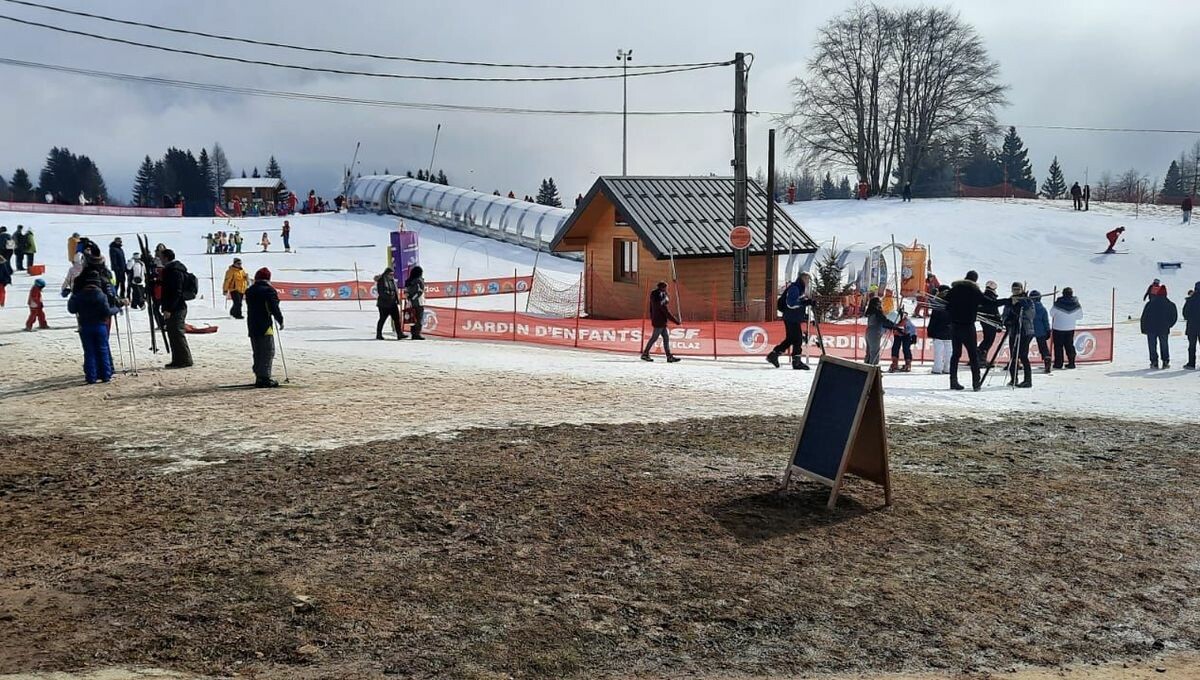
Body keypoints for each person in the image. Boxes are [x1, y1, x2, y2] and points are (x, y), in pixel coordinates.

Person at [944, 270, 994, 391]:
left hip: (955, 326)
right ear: (975, 280)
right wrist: (1007, 301)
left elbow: (946, 303)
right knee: (973, 355)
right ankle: (976, 383)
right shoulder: (974, 290)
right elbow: (988, 302)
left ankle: (953, 381)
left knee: (956, 354)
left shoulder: (955, 289)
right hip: (968, 327)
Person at [67, 278, 124, 384]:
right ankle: (106, 375)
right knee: (103, 350)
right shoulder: (101, 295)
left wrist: (73, 296)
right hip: (100, 325)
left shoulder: (79, 295)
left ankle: (91, 377)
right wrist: (117, 309)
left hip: (85, 326)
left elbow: (72, 309)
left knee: (89, 352)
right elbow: (107, 312)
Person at [245, 267, 284, 388]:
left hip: (252, 324)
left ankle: (259, 375)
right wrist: (280, 320)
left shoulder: (250, 290)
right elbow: (274, 307)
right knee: (267, 351)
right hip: (265, 324)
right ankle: (264, 378)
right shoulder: (269, 290)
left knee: (257, 351)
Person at [767, 272, 813, 370]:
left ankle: (774, 355)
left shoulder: (800, 288)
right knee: (798, 339)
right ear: (803, 278)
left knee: (791, 339)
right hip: (791, 318)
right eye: (807, 279)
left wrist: (805, 308)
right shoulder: (795, 288)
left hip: (793, 317)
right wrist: (805, 303)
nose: (808, 282)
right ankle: (796, 362)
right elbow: (791, 304)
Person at [159, 248, 193, 368]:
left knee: (177, 333)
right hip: (174, 306)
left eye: (161, 257)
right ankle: (177, 359)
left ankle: (185, 360)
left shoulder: (174, 271)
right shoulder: (171, 270)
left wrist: (169, 309)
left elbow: (176, 292)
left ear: (166, 258)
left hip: (177, 307)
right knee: (173, 333)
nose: (160, 259)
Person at [1000, 282, 1035, 387]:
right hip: (1013, 331)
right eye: (1014, 289)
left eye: (1018, 289)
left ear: (1021, 289)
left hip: (1025, 331)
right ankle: (1013, 379)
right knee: (1013, 356)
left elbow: (1031, 315)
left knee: (1023, 355)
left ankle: (1028, 380)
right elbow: (1005, 314)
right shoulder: (1010, 300)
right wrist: (1006, 321)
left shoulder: (1028, 300)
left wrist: (1022, 304)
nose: (1016, 291)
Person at [641, 281, 681, 362]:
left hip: (661, 321)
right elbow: (665, 311)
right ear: (662, 288)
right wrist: (676, 321)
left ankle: (669, 356)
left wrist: (665, 298)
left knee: (666, 338)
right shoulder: (658, 297)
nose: (666, 289)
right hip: (659, 322)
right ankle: (645, 354)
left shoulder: (659, 295)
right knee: (654, 338)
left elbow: (659, 307)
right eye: (665, 288)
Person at [1141, 287, 1178, 369]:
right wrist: (1169, 325)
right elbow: (1174, 317)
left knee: (1152, 346)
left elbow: (1144, 317)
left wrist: (1143, 328)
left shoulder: (1150, 304)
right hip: (1164, 329)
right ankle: (1165, 361)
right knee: (1164, 345)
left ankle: (1154, 362)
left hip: (1151, 328)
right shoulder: (1170, 304)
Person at [1050, 287, 1083, 370]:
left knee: (1058, 346)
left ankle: (1058, 364)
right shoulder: (1076, 304)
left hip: (1058, 328)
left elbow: (1051, 313)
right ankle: (1071, 363)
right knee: (1069, 345)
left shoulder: (1058, 303)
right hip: (1070, 328)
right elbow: (1080, 316)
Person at [864, 296, 897, 365]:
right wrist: (893, 325)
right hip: (875, 332)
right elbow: (884, 321)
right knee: (874, 351)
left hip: (869, 331)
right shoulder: (877, 312)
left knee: (869, 351)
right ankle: (873, 366)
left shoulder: (871, 311)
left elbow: (882, 322)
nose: (880, 303)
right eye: (879, 302)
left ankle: (866, 365)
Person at [927, 285, 953, 374]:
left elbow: (933, 319)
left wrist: (930, 330)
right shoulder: (954, 303)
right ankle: (948, 368)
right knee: (949, 351)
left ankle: (937, 368)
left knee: (938, 351)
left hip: (938, 331)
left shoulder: (938, 303)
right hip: (950, 331)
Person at [375, 266, 405, 340]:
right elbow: (381, 292)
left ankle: (399, 334)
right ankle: (379, 334)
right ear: (386, 274)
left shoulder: (393, 281)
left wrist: (397, 300)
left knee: (397, 319)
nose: (392, 276)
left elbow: (395, 291)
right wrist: (390, 296)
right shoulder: (381, 281)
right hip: (384, 304)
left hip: (393, 304)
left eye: (392, 274)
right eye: (390, 274)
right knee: (382, 319)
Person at [977, 281, 1001, 364]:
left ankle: (978, 357)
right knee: (989, 340)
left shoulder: (982, 296)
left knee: (986, 339)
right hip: (991, 321)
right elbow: (995, 310)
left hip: (984, 320)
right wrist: (999, 322)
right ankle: (980, 358)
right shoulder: (990, 297)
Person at [1030, 290, 1052, 374]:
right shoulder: (1042, 309)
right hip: (1040, 331)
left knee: (1023, 347)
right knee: (1043, 348)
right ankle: (1047, 360)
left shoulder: (1027, 308)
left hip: (1028, 330)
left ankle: (1018, 361)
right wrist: (1047, 330)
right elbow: (1045, 321)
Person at [404, 265, 427, 340]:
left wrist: (409, 299)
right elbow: (420, 291)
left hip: (410, 302)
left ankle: (413, 333)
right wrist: (413, 298)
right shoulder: (419, 280)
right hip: (419, 302)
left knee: (412, 318)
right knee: (418, 318)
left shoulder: (408, 281)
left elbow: (405, 292)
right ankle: (417, 334)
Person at [1183, 282, 1200, 369]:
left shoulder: (1190, 300)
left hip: (1192, 326)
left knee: (1192, 346)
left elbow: (1185, 314)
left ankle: (1191, 363)